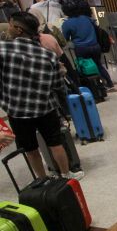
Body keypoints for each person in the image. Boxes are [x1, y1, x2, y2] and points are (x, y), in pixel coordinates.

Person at [0, 12, 83, 180]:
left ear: (18, 29)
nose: (8, 28)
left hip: (17, 111)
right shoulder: (47, 55)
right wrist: (61, 73)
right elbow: (59, 87)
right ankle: (66, 175)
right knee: (55, 143)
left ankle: (42, 178)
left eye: (10, 25)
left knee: (30, 149)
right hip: (46, 107)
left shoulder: (3, 50)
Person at [61, 0, 115, 89]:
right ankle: (109, 83)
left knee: (84, 67)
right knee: (98, 65)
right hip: (95, 46)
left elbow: (65, 38)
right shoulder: (87, 19)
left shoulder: (67, 23)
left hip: (81, 48)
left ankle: (94, 86)